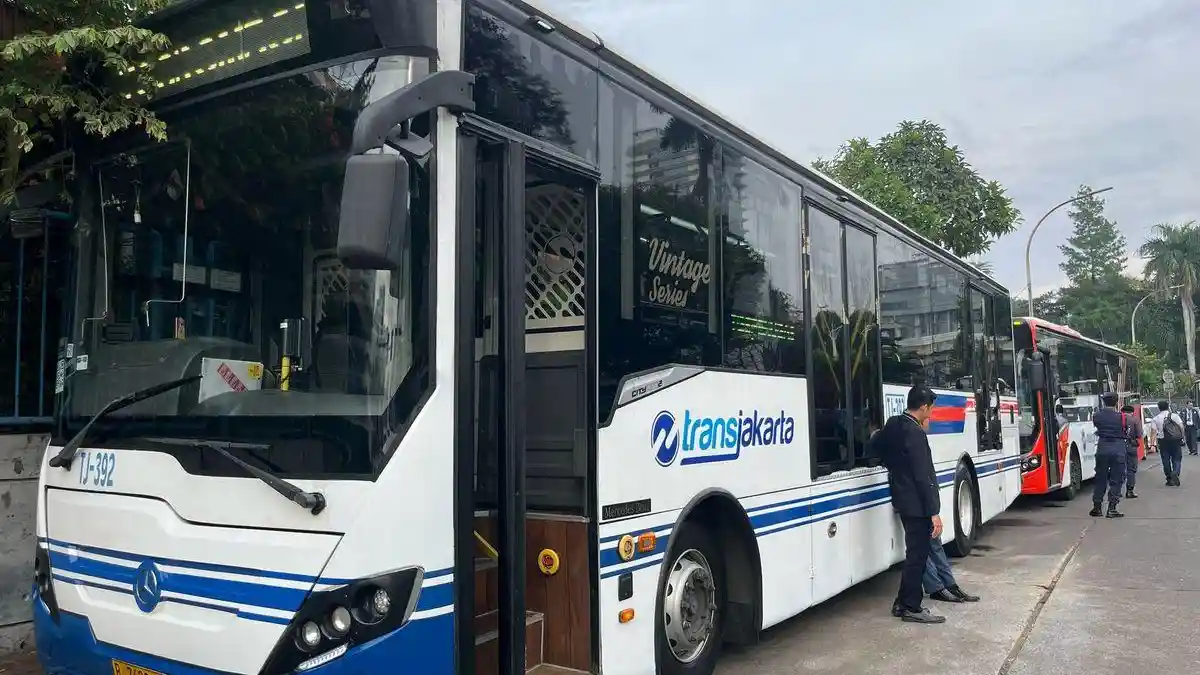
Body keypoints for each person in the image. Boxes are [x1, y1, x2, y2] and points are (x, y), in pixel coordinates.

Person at [875, 385, 945, 624]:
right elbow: (923, 475)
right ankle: (911, 606)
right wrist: (934, 511)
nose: (931, 413)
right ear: (923, 407)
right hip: (917, 504)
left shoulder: (894, 424)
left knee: (913, 554)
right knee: (917, 556)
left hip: (902, 498)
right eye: (931, 408)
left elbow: (878, 450)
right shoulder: (916, 433)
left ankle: (901, 603)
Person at [1090, 392, 1127, 518]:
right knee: (1116, 479)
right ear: (1116, 402)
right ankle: (1112, 508)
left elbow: (1097, 427)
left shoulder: (1097, 416)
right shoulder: (1122, 417)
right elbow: (1126, 430)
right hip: (1118, 448)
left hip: (1102, 448)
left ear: (1103, 402)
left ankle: (1097, 507)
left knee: (1100, 478)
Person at [1152, 400, 1185, 486]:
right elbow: (1181, 427)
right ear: (1168, 407)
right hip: (1175, 440)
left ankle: (1169, 478)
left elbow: (1153, 432)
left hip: (1163, 441)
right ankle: (1176, 472)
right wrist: (1182, 437)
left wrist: (1152, 444)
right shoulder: (1175, 416)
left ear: (1159, 408)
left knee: (1165, 460)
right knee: (1177, 458)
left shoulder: (1155, 418)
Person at [1120, 403, 1142, 499]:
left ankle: (1116, 490)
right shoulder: (1135, 420)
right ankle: (1129, 491)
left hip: (1118, 446)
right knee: (1131, 469)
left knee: (1118, 468)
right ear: (1132, 412)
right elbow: (1139, 434)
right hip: (1130, 446)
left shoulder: (1116, 420)